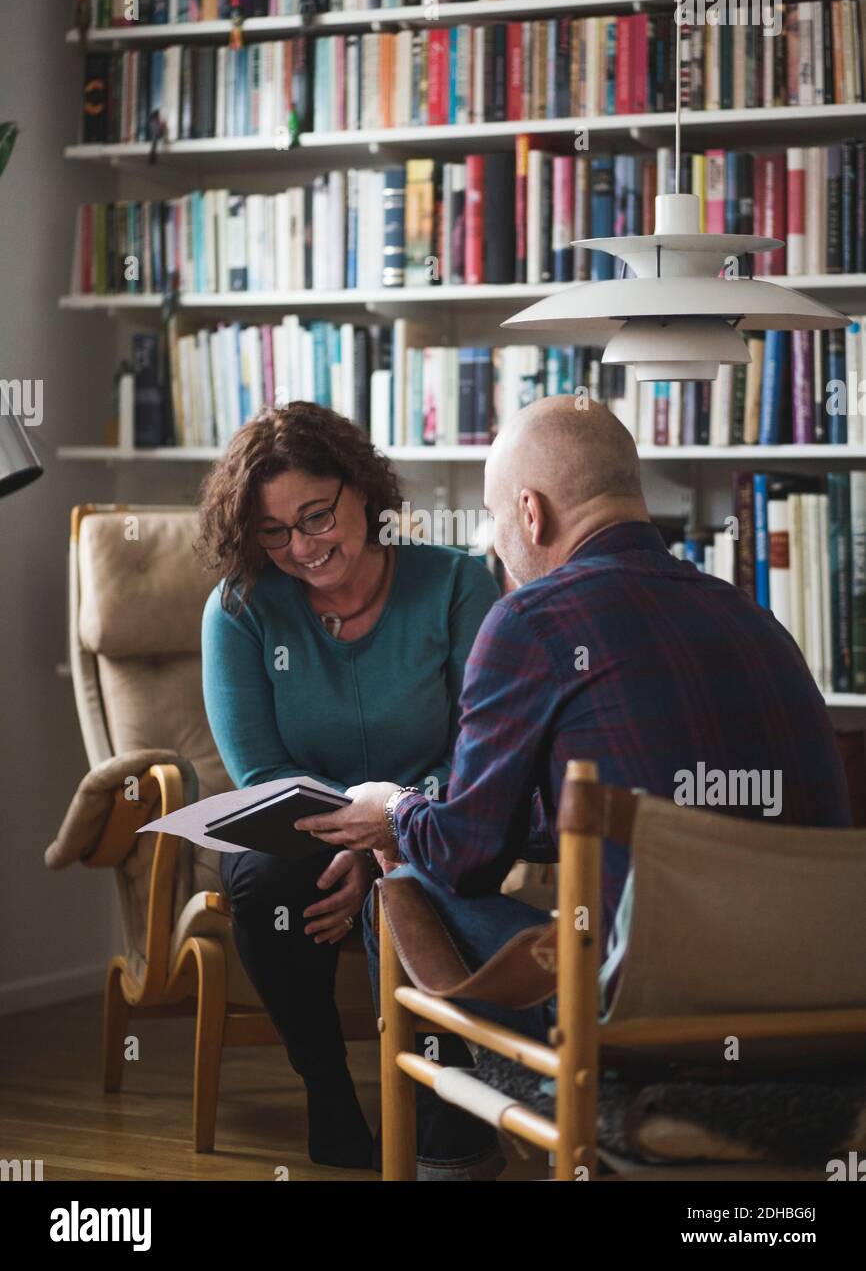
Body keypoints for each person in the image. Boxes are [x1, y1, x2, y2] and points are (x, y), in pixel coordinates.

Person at [296, 395, 852, 1179]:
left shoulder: (533, 620)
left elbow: (465, 858)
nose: (493, 545)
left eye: (493, 519)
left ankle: (446, 1167)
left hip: (650, 1027)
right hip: (816, 1015)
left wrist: (395, 810)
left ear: (531, 510)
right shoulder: (755, 618)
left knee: (407, 878)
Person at [197, 402, 498, 1169]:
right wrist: (353, 833)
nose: (301, 547)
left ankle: (448, 1135)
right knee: (265, 881)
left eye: (316, 516)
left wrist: (385, 834)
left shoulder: (458, 582)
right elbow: (260, 773)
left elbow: (480, 747)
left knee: (421, 875)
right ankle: (329, 1096)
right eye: (274, 531)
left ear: (361, 488)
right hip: (301, 830)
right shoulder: (239, 609)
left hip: (429, 817)